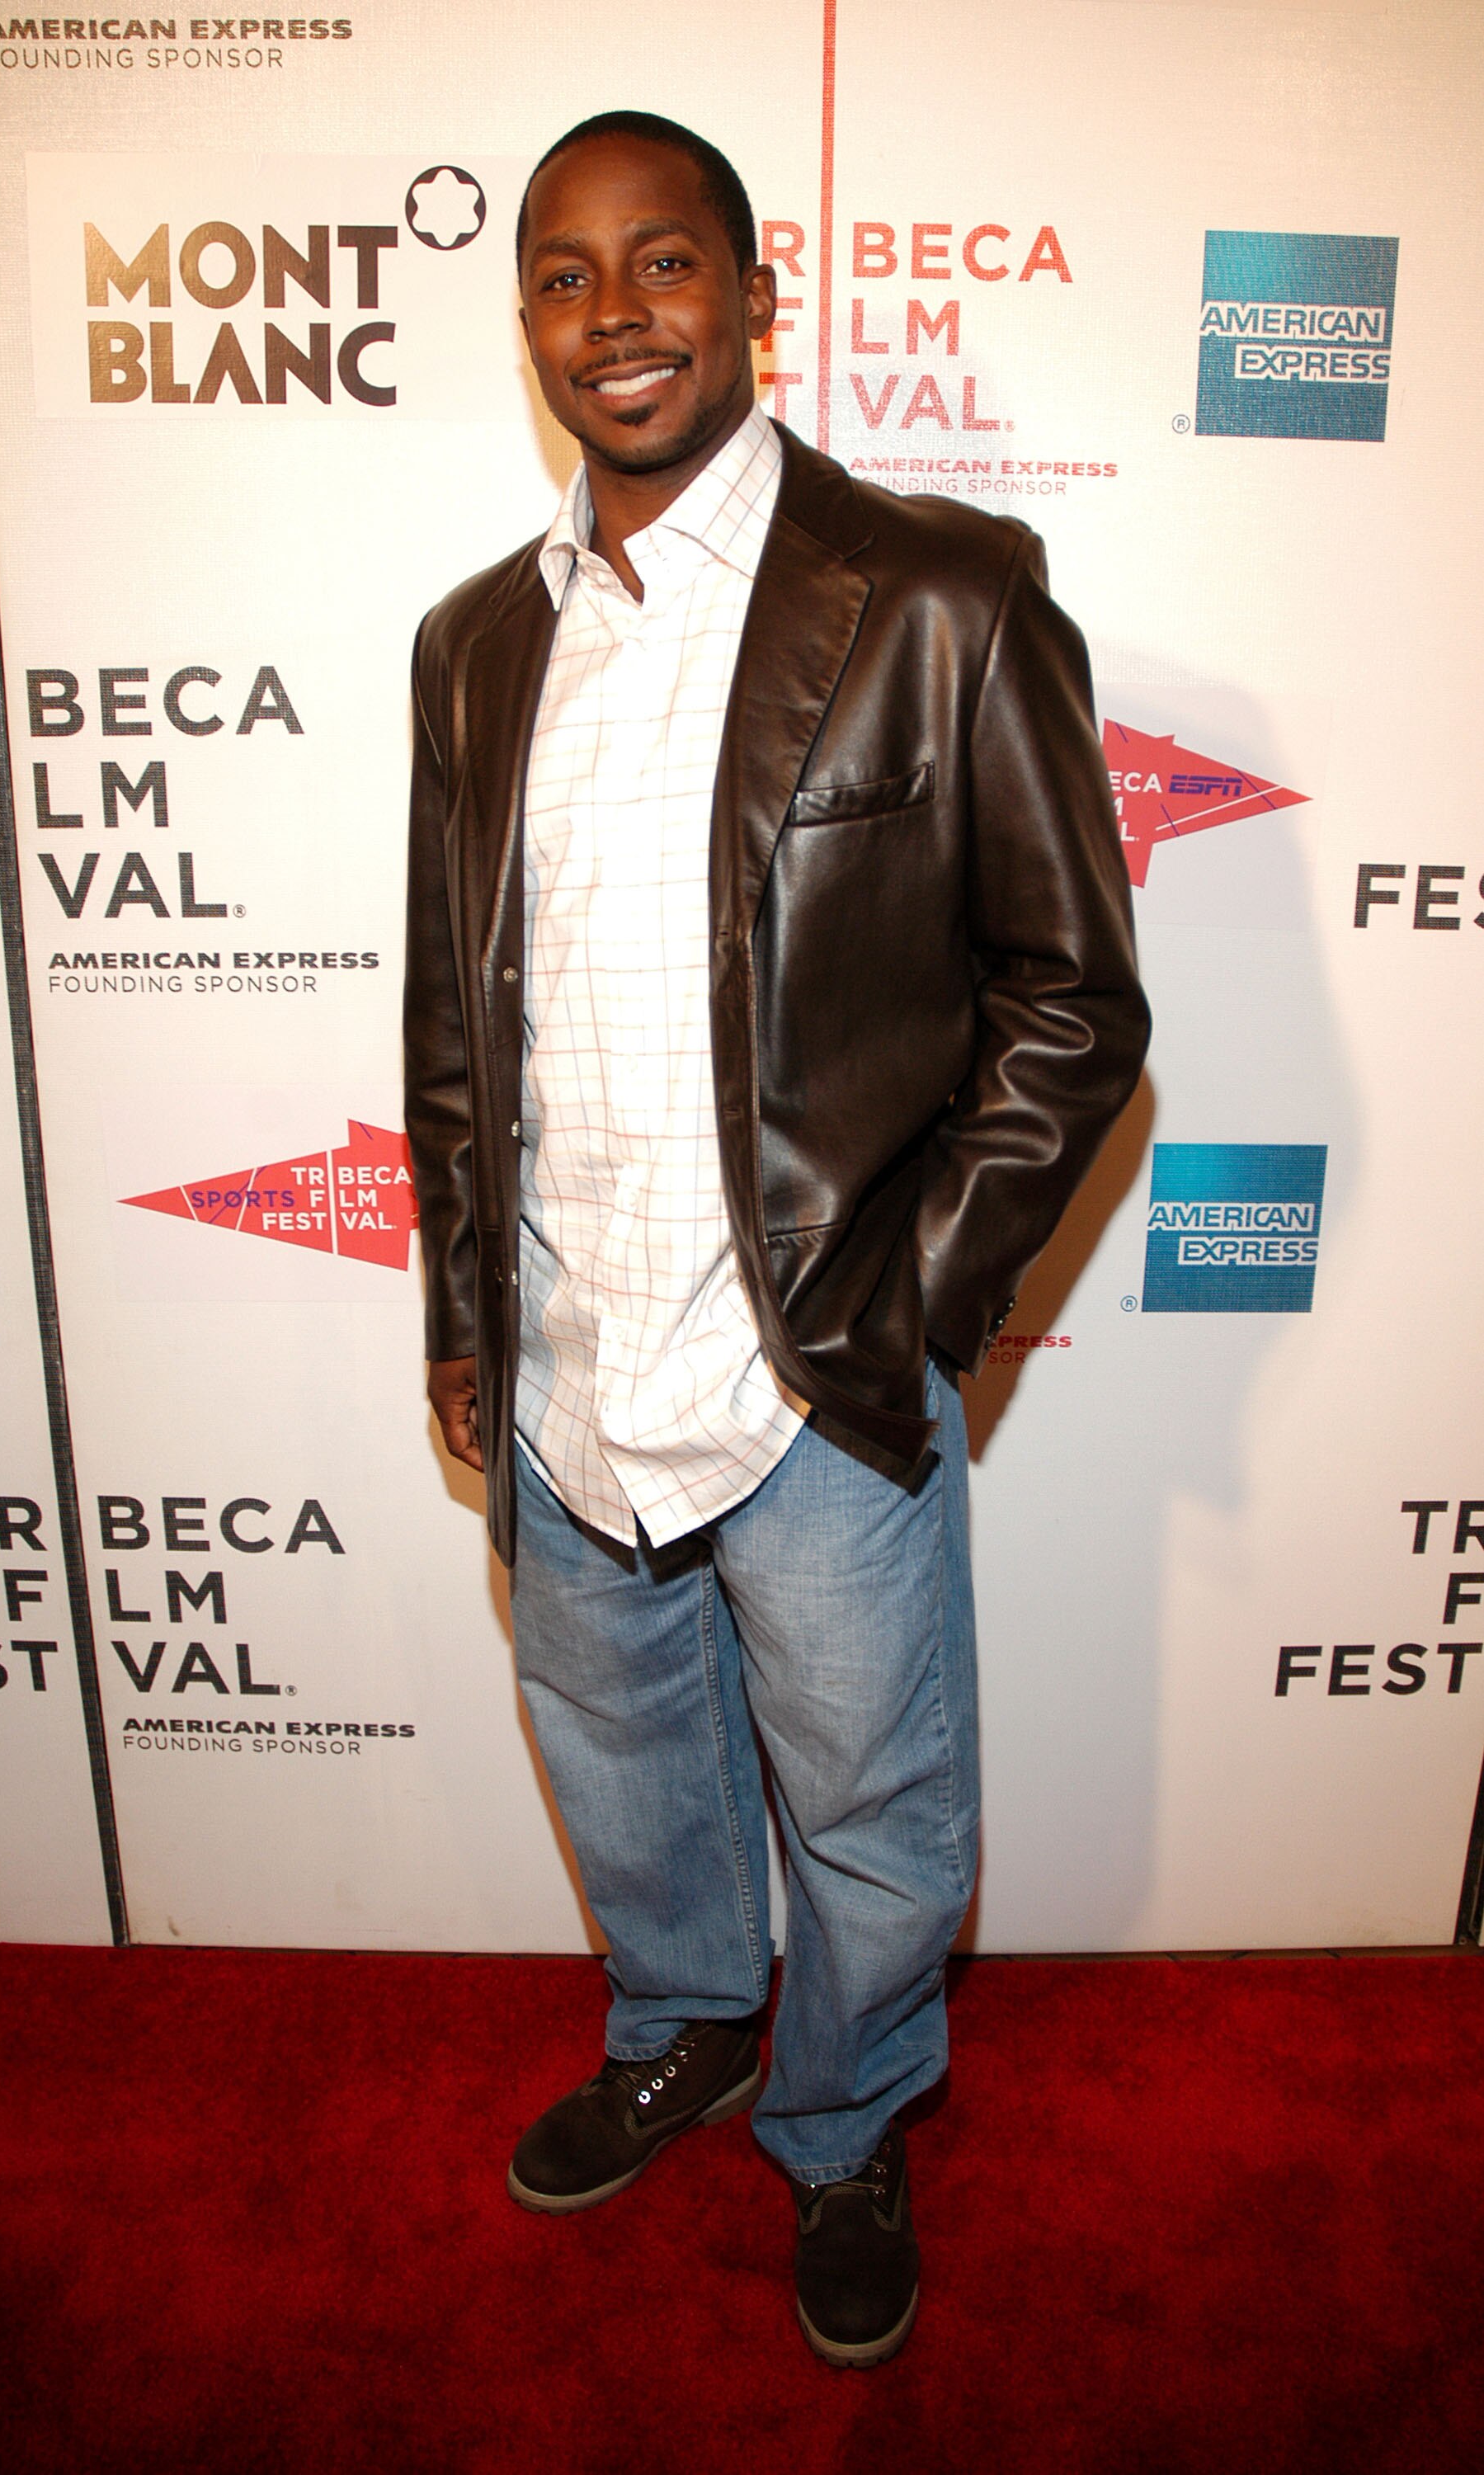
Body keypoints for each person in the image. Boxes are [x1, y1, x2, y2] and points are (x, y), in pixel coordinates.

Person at [403, 108, 1148, 2369]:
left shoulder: (933, 596)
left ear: (751, 290)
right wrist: (460, 1307)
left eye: (658, 265)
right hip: (558, 1354)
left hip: (810, 1370)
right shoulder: (469, 647)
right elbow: (452, 1007)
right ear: (523, 316)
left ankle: (840, 2123)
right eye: (560, 273)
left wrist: (915, 1300)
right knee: (626, 1770)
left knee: (879, 1823)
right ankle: (686, 2024)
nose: (611, 315)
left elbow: (1071, 999)